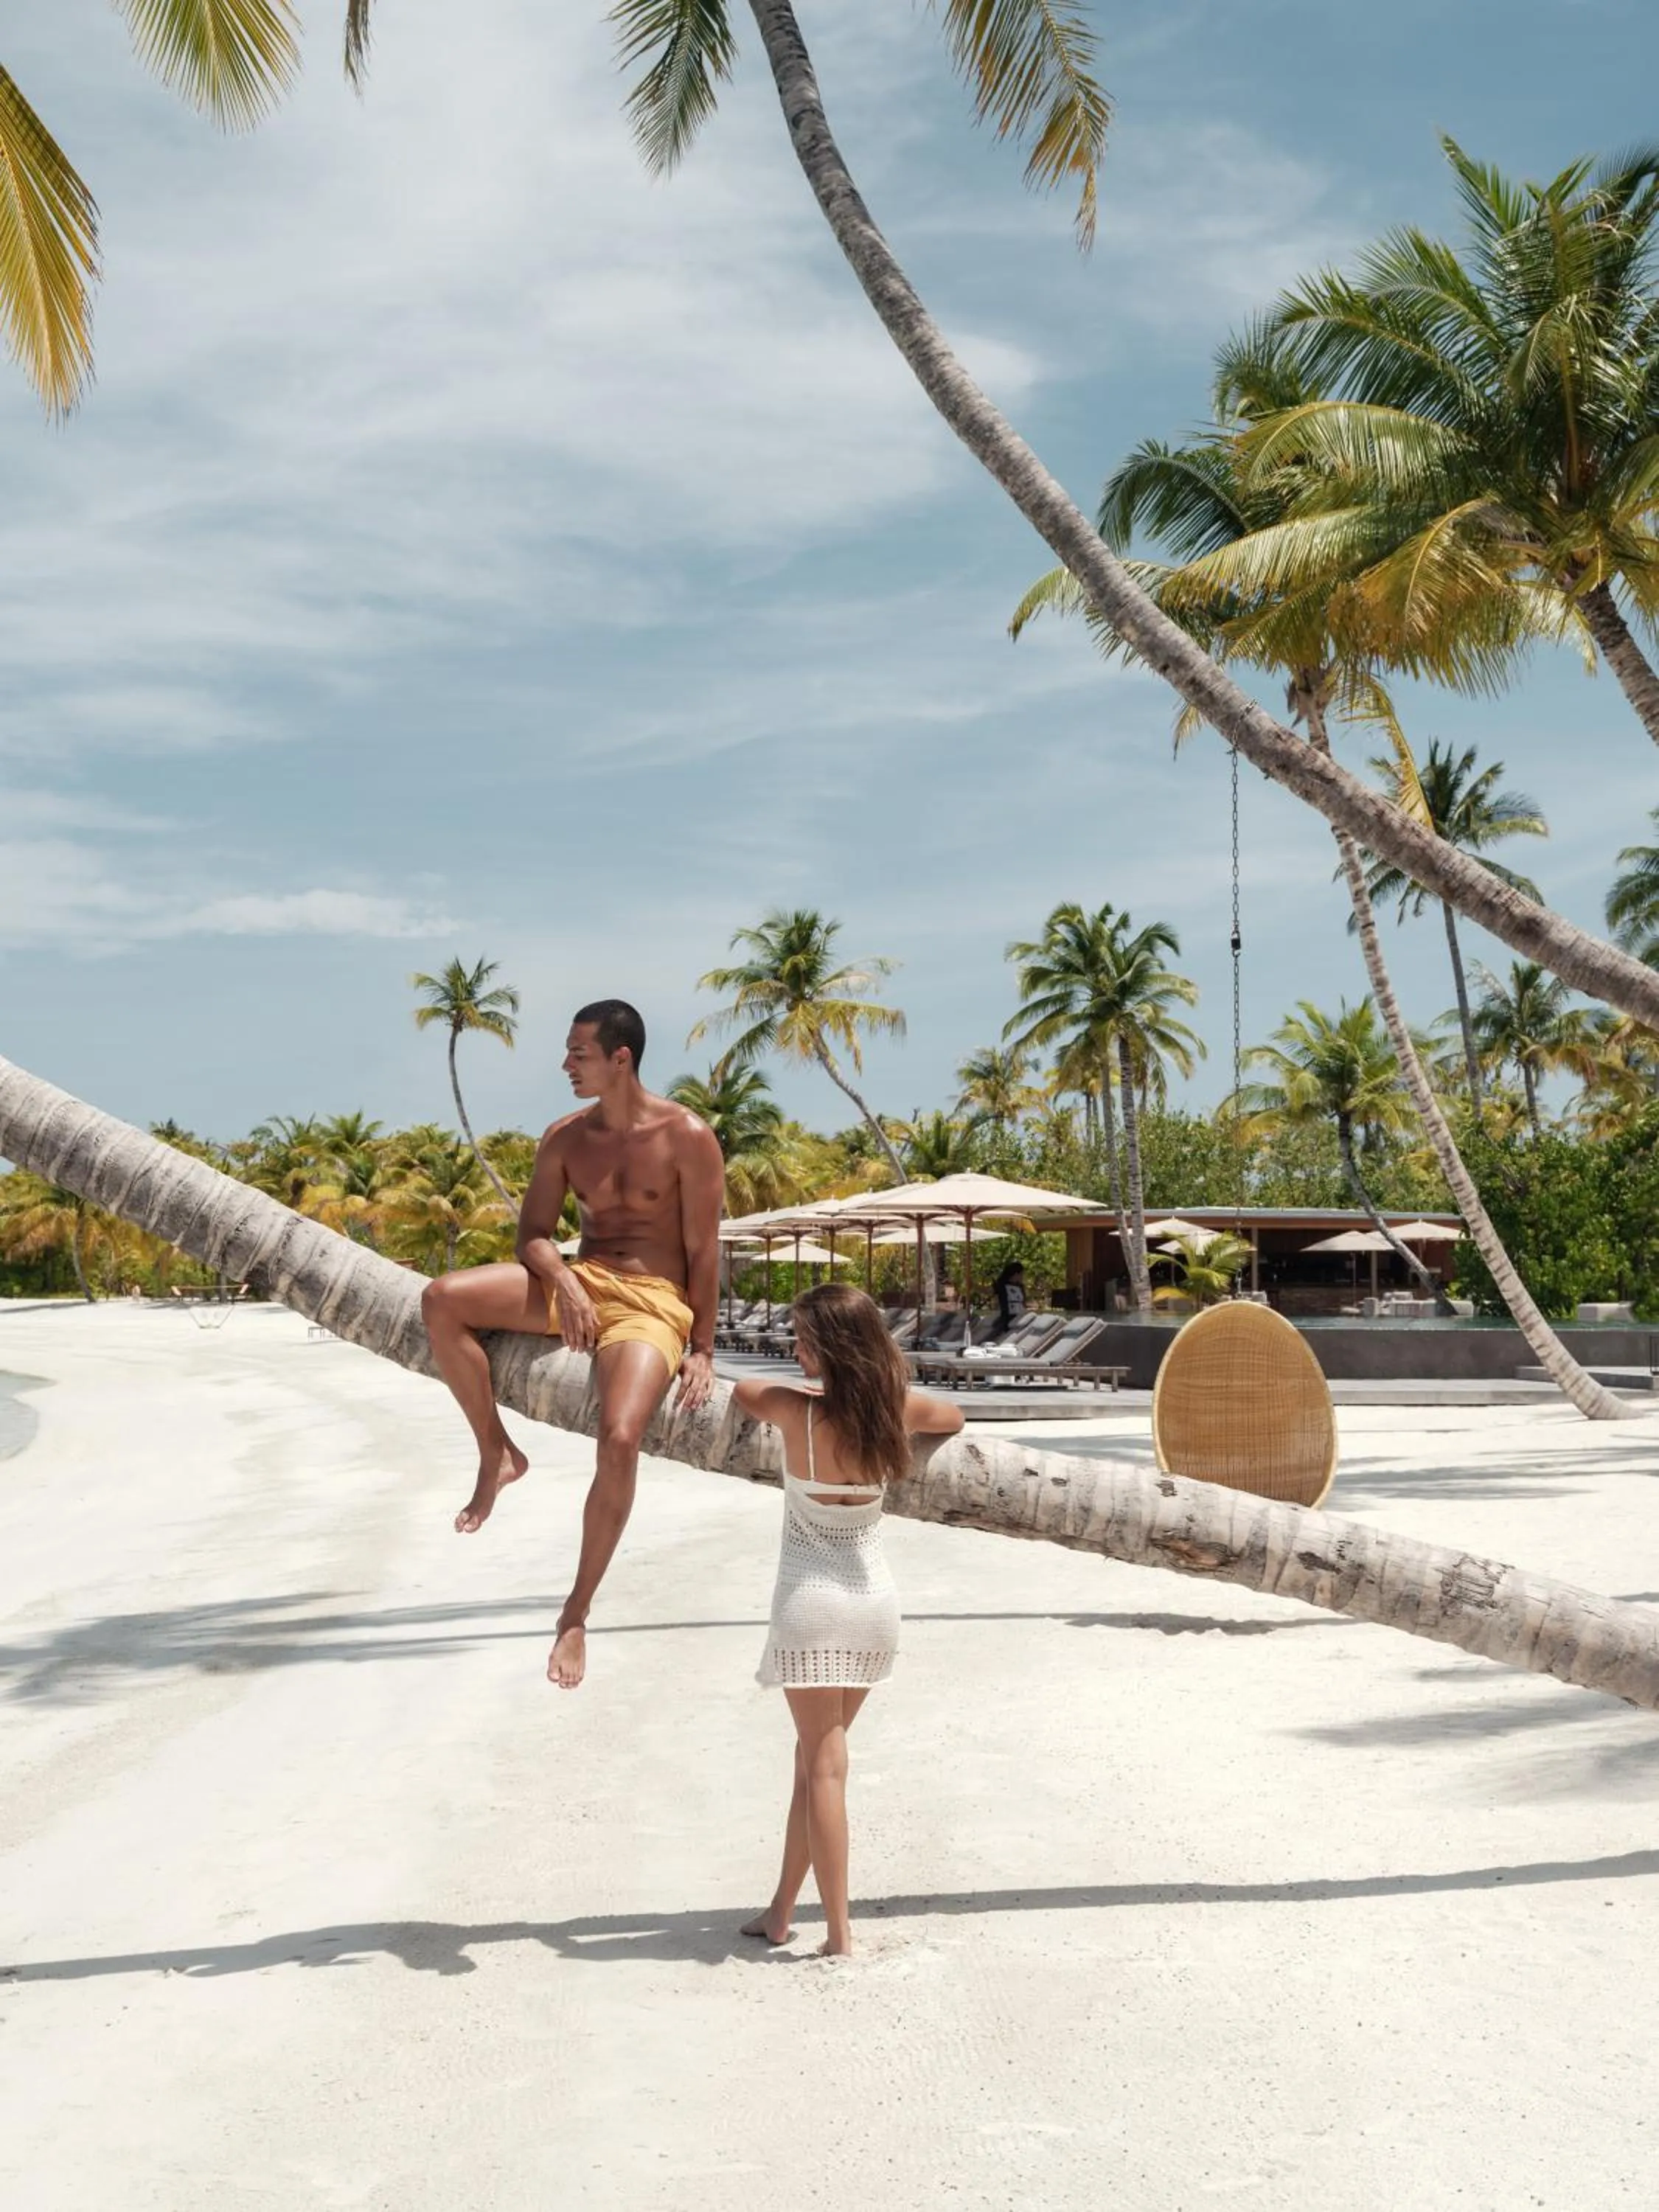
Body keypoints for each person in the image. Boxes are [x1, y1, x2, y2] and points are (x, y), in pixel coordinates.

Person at [420, 998, 725, 1689]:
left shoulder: (688, 1136)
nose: (565, 1065)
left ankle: (576, 1612)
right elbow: (530, 1235)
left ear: (622, 1059)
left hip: (652, 1303)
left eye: (577, 1053)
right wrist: (563, 1275)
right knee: (442, 1299)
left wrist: (702, 1347)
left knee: (620, 1437)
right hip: (579, 1282)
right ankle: (496, 1451)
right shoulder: (564, 1138)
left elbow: (705, 1251)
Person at [732, 1283, 963, 1957]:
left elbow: (743, 1392)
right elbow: (953, 1419)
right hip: (871, 1604)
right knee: (814, 1765)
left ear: (826, 1347)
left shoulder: (792, 1411)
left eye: (803, 1337)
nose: (795, 1347)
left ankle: (838, 1935)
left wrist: (809, 1380)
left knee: (824, 1768)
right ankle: (780, 1910)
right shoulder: (897, 1411)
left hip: (811, 1605)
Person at [992, 1259, 1027, 1335]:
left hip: (1020, 1319)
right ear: (1016, 1274)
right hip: (1008, 1319)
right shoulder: (1002, 1286)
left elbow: (1023, 1303)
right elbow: (1002, 1304)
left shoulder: (1020, 1287)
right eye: (1021, 1274)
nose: (1022, 1277)